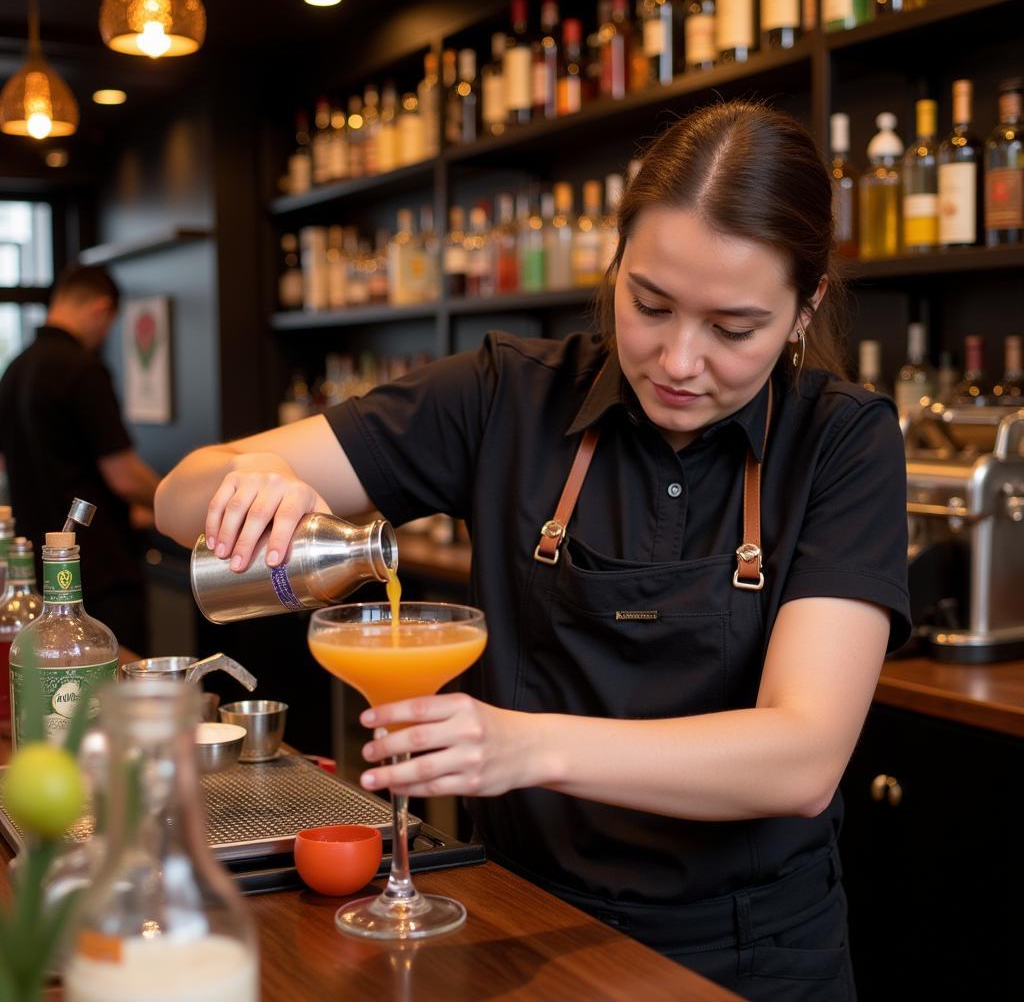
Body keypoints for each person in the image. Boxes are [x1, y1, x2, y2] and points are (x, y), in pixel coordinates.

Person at [155, 102, 910, 1000]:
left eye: (733, 329)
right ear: (616, 263)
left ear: (804, 307)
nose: (677, 358)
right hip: (516, 913)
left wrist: (521, 748)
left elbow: (801, 757)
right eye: (650, 304)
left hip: (750, 951)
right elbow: (178, 498)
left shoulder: (842, 441)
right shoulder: (506, 396)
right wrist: (254, 482)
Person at [0, 265, 161, 656]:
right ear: (100, 309)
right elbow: (123, 476)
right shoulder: (82, 369)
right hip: (98, 569)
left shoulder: (15, 370)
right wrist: (170, 497)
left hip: (41, 573)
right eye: (109, 324)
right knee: (115, 680)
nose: (104, 335)